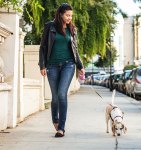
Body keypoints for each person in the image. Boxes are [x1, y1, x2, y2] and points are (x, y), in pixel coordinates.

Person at [39, 3, 85, 138]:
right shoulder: (49, 26)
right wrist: (42, 65)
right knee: (55, 96)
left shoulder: (72, 29)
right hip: (52, 65)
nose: (70, 18)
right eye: (67, 15)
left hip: (68, 65)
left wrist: (80, 66)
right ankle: (55, 120)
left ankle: (61, 128)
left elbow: (75, 49)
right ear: (60, 14)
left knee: (61, 94)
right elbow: (43, 47)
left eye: (71, 15)